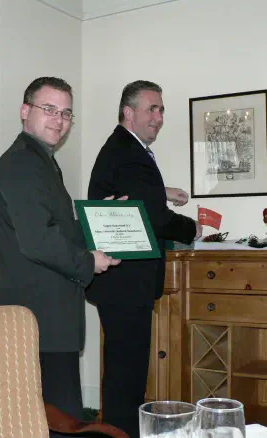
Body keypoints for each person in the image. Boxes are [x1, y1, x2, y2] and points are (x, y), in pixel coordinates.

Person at [0, 76, 120, 432]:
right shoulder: (21, 163)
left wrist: (100, 219)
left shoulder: (42, 161)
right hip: (40, 318)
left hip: (49, 316)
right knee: (57, 419)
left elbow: (55, 227)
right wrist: (88, 261)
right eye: (49, 109)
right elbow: (38, 240)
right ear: (25, 111)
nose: (59, 120)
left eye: (66, 113)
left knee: (54, 417)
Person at [87, 80, 202, 438]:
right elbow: (152, 215)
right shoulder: (129, 152)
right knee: (127, 377)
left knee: (126, 374)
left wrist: (162, 191)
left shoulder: (125, 149)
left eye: (161, 109)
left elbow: (135, 195)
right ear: (128, 111)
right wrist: (193, 228)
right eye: (152, 108)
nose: (159, 117)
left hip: (122, 284)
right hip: (125, 284)